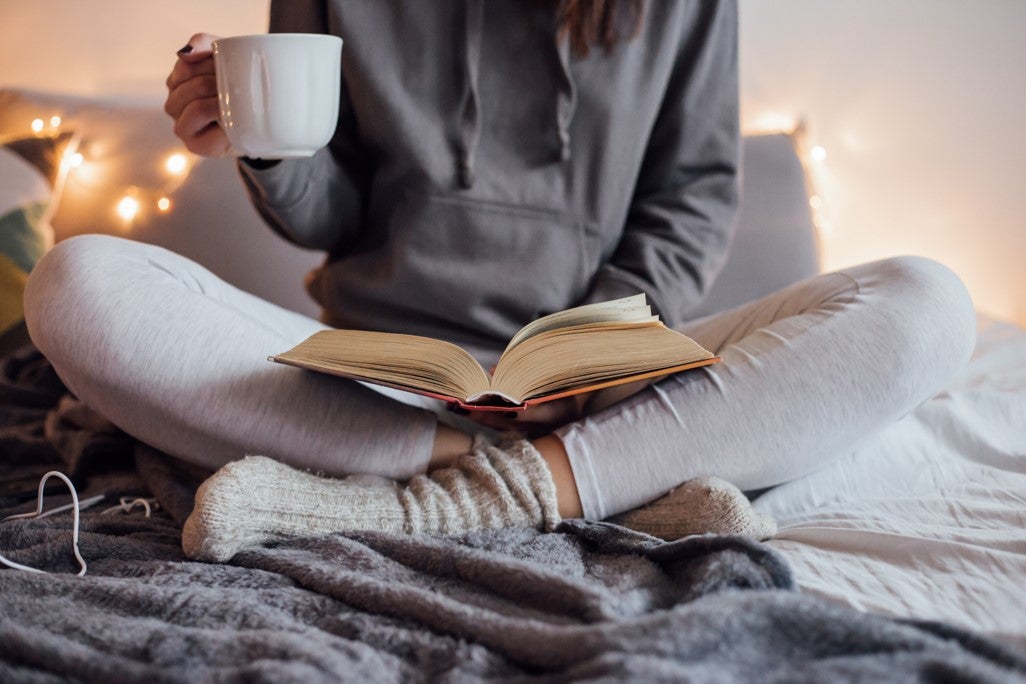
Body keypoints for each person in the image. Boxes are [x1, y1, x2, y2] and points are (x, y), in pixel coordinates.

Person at [24, 0, 976, 562]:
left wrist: (597, 359)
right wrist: (264, 150)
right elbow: (333, 214)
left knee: (927, 301)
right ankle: (597, 486)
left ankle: (438, 488)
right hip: (367, 375)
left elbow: (692, 196)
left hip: (607, 370)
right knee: (74, 282)